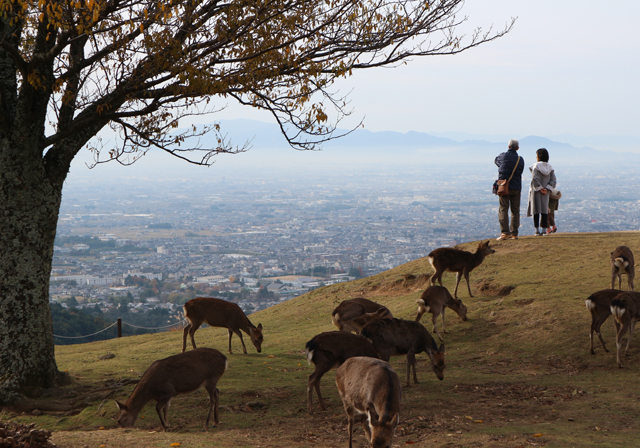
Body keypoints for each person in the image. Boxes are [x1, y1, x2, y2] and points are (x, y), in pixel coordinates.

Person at [495, 139, 525, 240]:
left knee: (503, 209)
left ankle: (505, 232)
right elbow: (520, 171)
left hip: (504, 186)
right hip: (516, 187)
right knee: (515, 211)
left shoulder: (502, 156)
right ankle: (514, 233)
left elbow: (496, 161)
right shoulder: (520, 159)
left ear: (508, 147)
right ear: (517, 148)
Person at [526, 148, 556, 236]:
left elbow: (534, 178)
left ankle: (536, 230)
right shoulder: (550, 167)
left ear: (538, 157)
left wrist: (539, 188)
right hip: (546, 193)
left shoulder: (535, 166)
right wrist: (547, 188)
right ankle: (544, 230)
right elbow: (553, 180)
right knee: (544, 210)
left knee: (536, 210)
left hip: (536, 192)